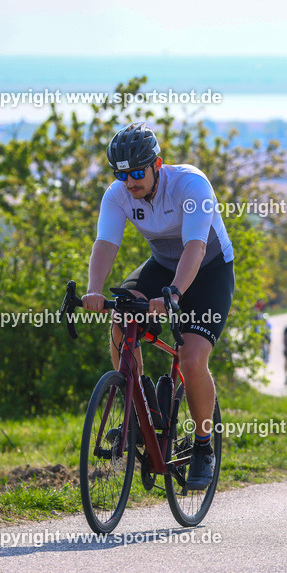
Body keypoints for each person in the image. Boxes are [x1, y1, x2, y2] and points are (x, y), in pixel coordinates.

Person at [83, 122, 233, 491]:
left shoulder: (190, 184)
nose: (129, 182)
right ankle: (138, 413)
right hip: (163, 265)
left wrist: (175, 295)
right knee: (122, 316)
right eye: (121, 174)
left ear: (157, 165)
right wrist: (93, 290)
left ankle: (203, 447)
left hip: (208, 269)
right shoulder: (117, 195)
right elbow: (106, 244)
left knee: (192, 358)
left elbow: (196, 246)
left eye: (137, 173)